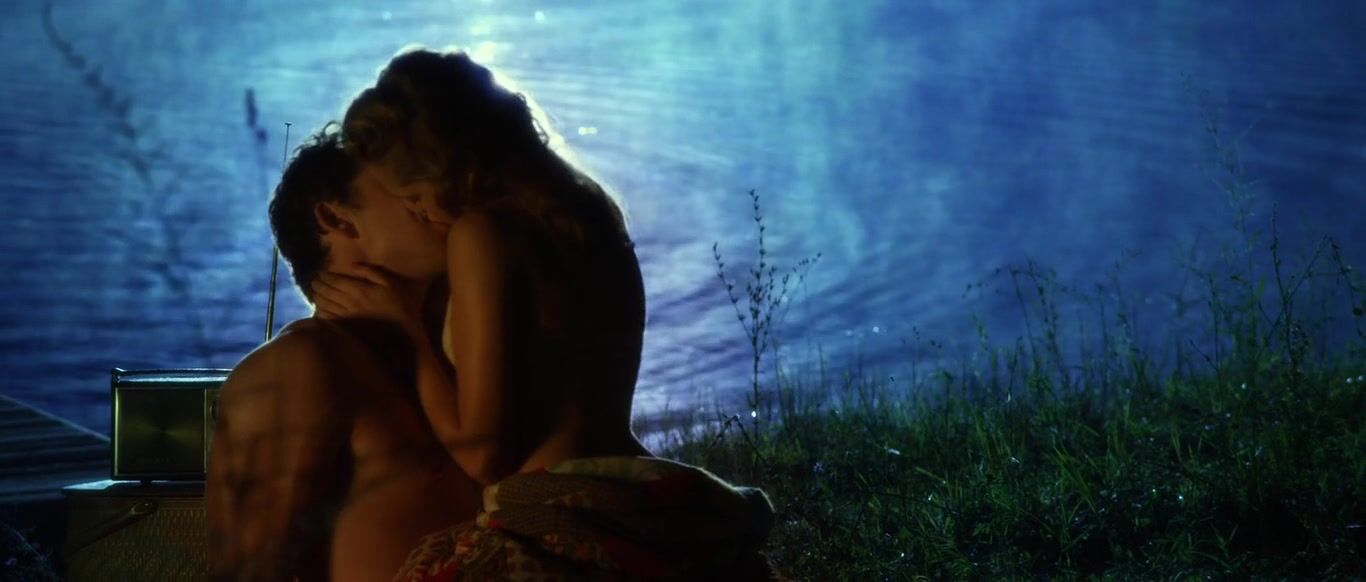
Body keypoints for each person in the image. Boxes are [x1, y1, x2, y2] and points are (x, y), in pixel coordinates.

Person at [313, 46, 783, 580]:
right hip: (626, 477)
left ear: (451, 168)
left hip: (557, 501)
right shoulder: (588, 209)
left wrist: (407, 334)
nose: (419, 212)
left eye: (417, 196)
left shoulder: (483, 234)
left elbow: (483, 453)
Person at [205, 126, 483, 582]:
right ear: (337, 219)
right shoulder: (301, 363)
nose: (434, 202)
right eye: (406, 191)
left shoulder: (435, 365)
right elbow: (249, 571)